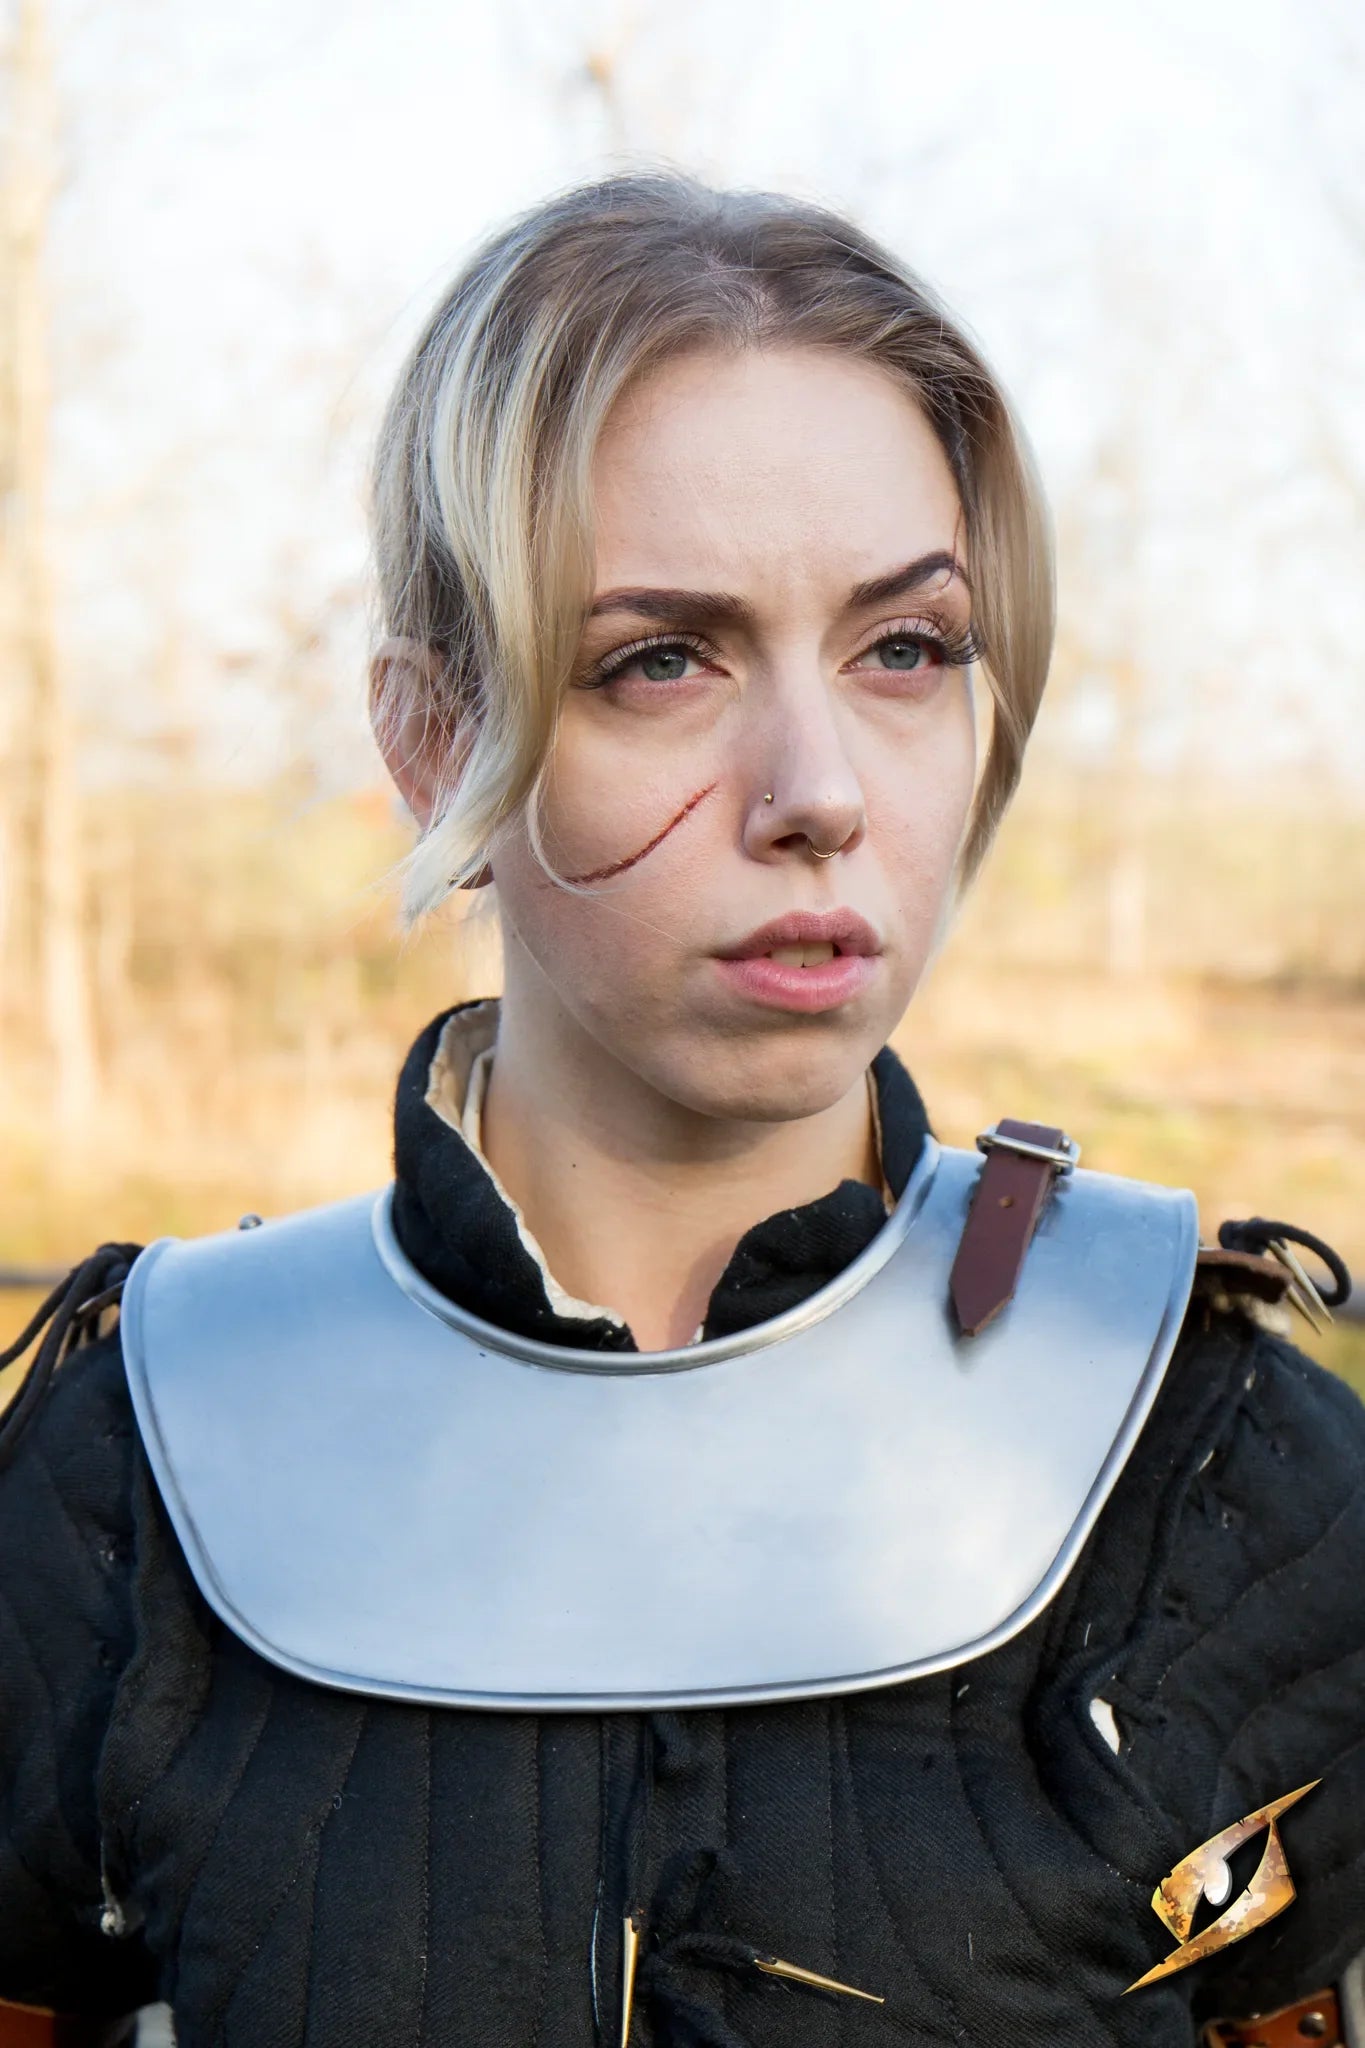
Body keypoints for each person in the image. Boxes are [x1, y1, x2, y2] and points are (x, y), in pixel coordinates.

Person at [0, 173, 1361, 2048]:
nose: (818, 790)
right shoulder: (123, 1484)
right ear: (431, 739)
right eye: (660, 658)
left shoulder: (1227, 1481)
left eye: (905, 649)